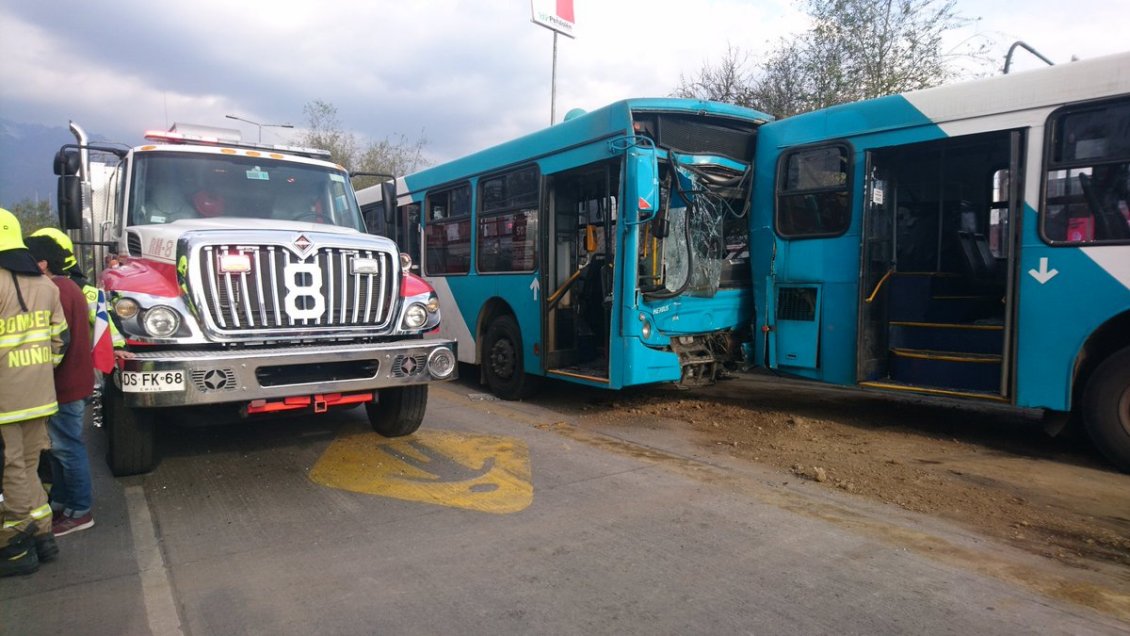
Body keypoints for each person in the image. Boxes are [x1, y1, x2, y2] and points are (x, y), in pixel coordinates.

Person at [0, 209, 67, 577]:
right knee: (27, 467)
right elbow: (62, 340)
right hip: (39, 395)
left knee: (12, 470)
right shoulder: (46, 286)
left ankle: (13, 544)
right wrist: (39, 369)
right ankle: (42, 533)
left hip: (4, 400)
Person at [25, 236, 95, 536]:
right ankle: (64, 503)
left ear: (42, 263)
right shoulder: (68, 287)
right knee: (60, 448)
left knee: (67, 448)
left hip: (63, 385)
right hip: (72, 382)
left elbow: (58, 343)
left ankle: (80, 510)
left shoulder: (55, 290)